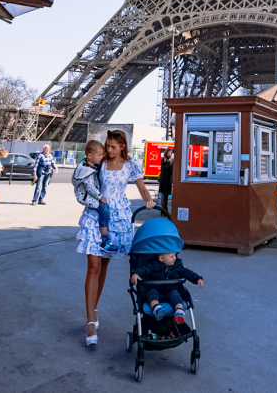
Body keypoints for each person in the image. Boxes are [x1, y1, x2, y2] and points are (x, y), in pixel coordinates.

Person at [76, 130, 154, 349]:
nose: (108, 150)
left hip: (117, 216)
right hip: (97, 213)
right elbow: (83, 177)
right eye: (107, 146)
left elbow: (142, 188)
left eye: (112, 147)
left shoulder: (130, 165)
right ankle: (90, 320)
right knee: (93, 265)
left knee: (103, 265)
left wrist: (148, 201)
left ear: (122, 146)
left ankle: (94, 309)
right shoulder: (100, 162)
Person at [131, 252, 203, 324]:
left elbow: (188, 273)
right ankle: (157, 308)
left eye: (175, 255)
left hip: (171, 289)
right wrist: (136, 274)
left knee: (176, 295)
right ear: (161, 258)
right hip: (156, 289)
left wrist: (197, 279)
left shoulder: (177, 266)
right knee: (151, 293)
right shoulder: (153, 264)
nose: (174, 258)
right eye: (171, 257)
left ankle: (179, 311)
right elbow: (144, 269)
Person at [158, 148, 174, 214]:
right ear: (166, 153)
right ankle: (164, 210)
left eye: (171, 153)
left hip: (168, 179)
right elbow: (166, 168)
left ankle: (164, 210)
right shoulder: (164, 159)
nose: (170, 154)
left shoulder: (169, 160)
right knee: (164, 195)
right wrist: (171, 162)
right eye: (169, 153)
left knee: (166, 195)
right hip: (164, 179)